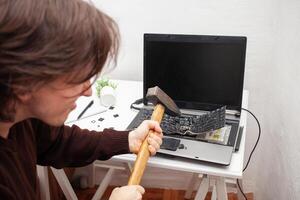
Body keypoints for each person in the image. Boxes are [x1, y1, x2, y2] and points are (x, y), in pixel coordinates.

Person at [0, 0, 163, 200]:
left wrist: (127, 139)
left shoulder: (21, 117)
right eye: (77, 79)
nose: (88, 92)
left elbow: (58, 142)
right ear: (24, 80)